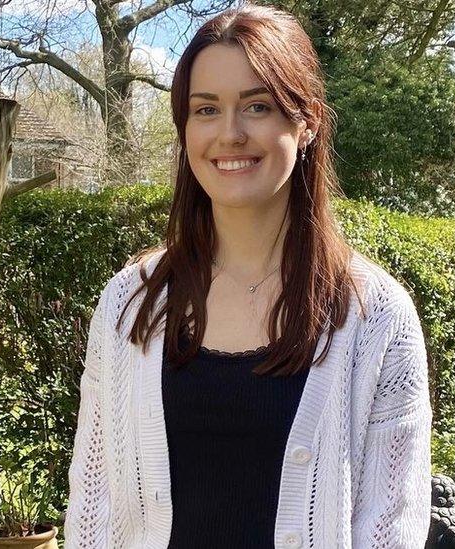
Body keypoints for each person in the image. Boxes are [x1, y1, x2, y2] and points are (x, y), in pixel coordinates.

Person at [64, 3, 431, 548]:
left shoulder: (375, 316)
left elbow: (391, 525)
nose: (229, 133)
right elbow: (93, 508)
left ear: (305, 122)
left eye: (257, 106)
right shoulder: (129, 305)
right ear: (185, 129)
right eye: (206, 109)